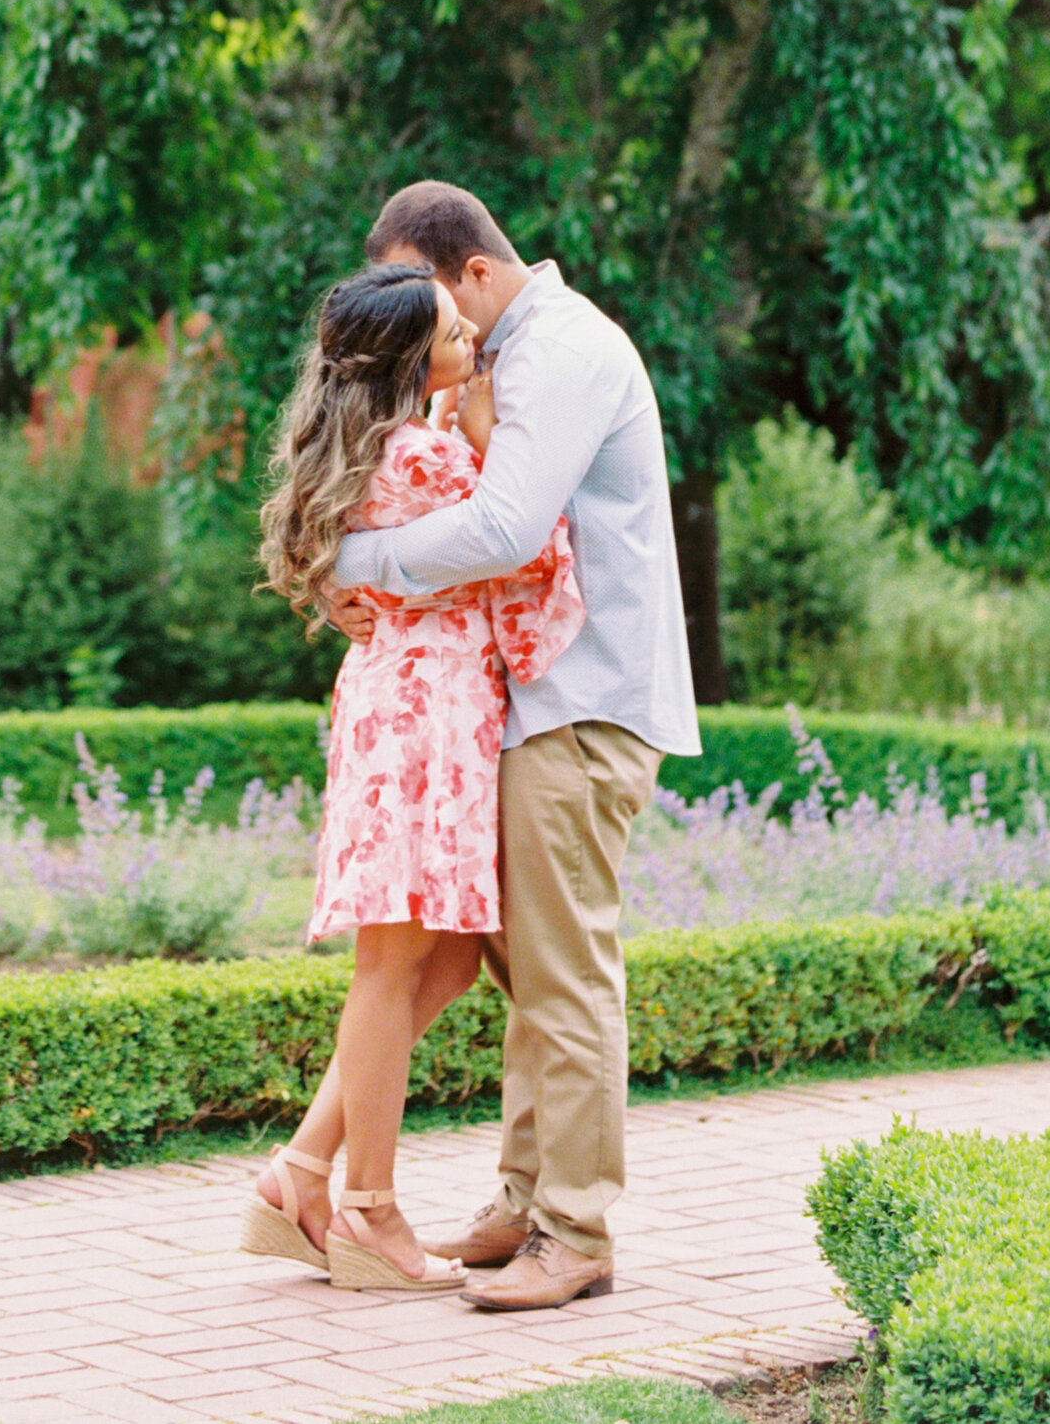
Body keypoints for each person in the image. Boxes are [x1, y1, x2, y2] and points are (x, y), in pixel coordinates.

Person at [327, 180, 699, 1313]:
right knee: (526, 969)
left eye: (426, 296)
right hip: (531, 702)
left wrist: (353, 566)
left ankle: (574, 1232)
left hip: (581, 705)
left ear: (472, 271)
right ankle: (527, 1197)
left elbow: (503, 529)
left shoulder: (560, 352)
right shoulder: (507, 359)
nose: (420, 325)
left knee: (569, 971)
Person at [241, 261, 584, 1292]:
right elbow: (534, 562)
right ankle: (368, 1209)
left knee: (438, 963)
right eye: (447, 331)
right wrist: (484, 436)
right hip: (428, 718)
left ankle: (301, 1170)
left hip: (404, 707)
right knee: (393, 967)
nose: (468, 337)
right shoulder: (428, 458)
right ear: (409, 360)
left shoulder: (369, 452)